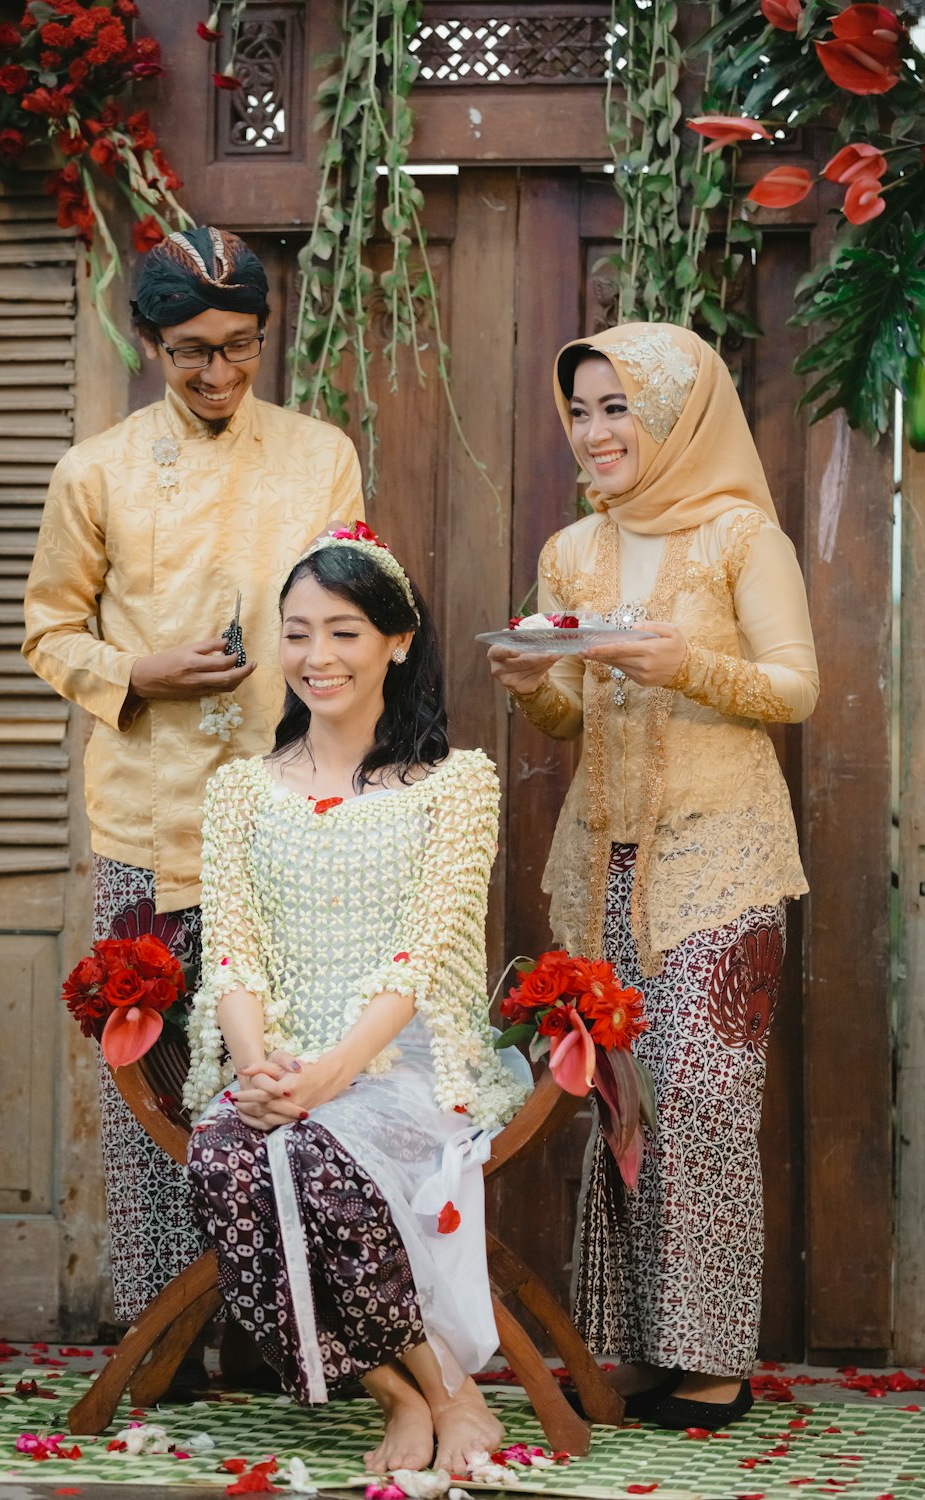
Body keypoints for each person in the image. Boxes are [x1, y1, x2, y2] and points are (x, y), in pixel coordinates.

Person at [22, 226, 363, 1349]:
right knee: (152, 1087)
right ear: (150, 344)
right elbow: (48, 632)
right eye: (188, 355)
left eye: (237, 348)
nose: (216, 376)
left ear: (264, 337)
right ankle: (160, 1339)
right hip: (146, 813)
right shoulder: (97, 470)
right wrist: (138, 672)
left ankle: (282, 1336)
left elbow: (357, 606)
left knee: (279, 1071)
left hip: (288, 811)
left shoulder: (320, 456)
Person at [487, 323, 818, 1431]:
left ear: (674, 413)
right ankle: (634, 1344)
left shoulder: (740, 539)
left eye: (616, 407)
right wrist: (533, 681)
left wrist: (686, 663)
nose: (593, 431)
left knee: (706, 1100)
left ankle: (712, 1358)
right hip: (603, 867)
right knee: (617, 1100)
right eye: (579, 409)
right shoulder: (570, 553)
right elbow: (574, 716)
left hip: (723, 856)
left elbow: (794, 689)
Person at [184, 526, 528, 1471]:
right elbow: (235, 955)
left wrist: (330, 1075)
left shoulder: (455, 786)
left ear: (397, 640)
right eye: (297, 633)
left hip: (408, 1062)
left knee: (317, 1160)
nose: (316, 657)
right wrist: (258, 1070)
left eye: (343, 631)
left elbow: (421, 956)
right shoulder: (240, 792)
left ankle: (450, 1398)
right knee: (223, 1157)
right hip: (280, 1061)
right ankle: (406, 1395)